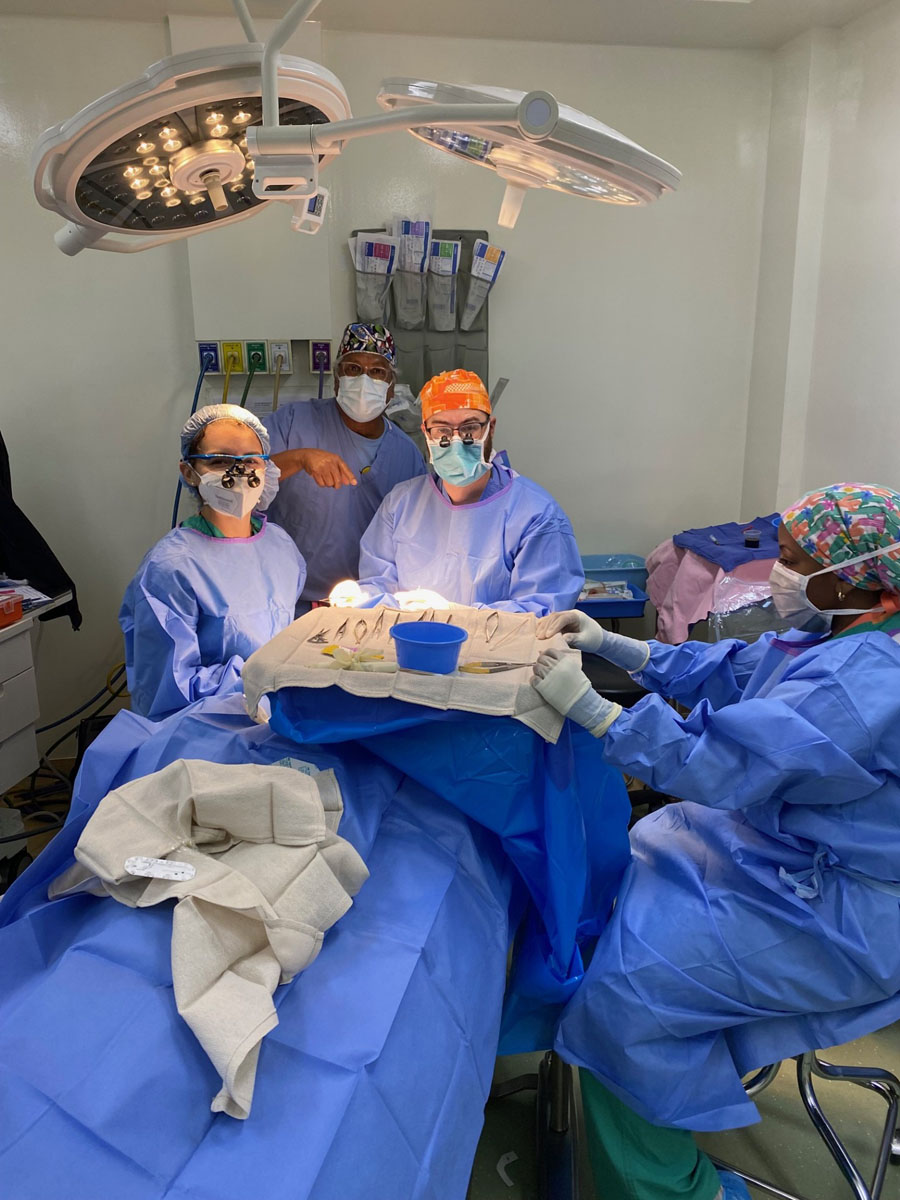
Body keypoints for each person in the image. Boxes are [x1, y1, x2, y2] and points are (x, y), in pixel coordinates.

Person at [529, 482, 900, 1200]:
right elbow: (738, 672)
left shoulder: (868, 684)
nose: (778, 573)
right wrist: (624, 650)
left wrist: (601, 716)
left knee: (626, 1001)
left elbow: (720, 764)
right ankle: (671, 1079)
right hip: (779, 860)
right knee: (616, 885)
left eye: (793, 557)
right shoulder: (840, 630)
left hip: (841, 914)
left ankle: (674, 1187)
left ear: (861, 577)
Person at [329, 369, 584, 614]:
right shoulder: (401, 504)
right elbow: (378, 586)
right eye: (442, 430)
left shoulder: (536, 514)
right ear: (426, 434)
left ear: (490, 429)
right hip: (413, 652)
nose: (456, 440)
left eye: (469, 428)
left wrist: (454, 614)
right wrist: (360, 598)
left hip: (500, 657)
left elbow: (543, 611)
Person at [120, 404, 306, 720]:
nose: (239, 473)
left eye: (250, 460)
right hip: (206, 723)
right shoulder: (171, 568)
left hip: (279, 706)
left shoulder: (280, 546)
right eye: (220, 461)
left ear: (266, 469)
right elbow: (168, 689)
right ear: (189, 473)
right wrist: (266, 674)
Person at [262, 323, 426, 607]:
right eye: (353, 369)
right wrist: (298, 458)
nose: (364, 380)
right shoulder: (292, 424)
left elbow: (418, 536)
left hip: (370, 606)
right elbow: (241, 477)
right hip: (289, 602)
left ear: (390, 387)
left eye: (377, 372)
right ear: (337, 378)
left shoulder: (406, 454)